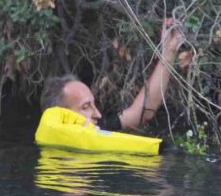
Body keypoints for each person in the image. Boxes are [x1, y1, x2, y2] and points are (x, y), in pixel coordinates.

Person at [39, 19, 183, 131]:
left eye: (93, 105)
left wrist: (169, 51)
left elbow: (143, 112)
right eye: (85, 107)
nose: (98, 114)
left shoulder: (99, 127)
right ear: (61, 116)